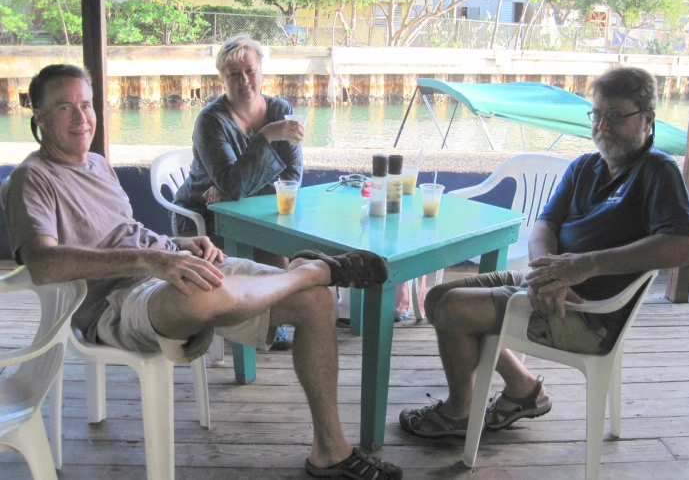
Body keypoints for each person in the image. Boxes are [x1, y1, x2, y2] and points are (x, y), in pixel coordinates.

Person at [1, 64, 402, 480]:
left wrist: (176, 245)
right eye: (65, 107)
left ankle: (330, 449)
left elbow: (123, 233)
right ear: (40, 119)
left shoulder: (98, 165)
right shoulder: (32, 179)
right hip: (114, 303)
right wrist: (150, 261)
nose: (82, 117)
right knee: (203, 290)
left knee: (316, 302)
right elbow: (43, 262)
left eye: (86, 104)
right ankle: (309, 271)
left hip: (167, 269)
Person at [399, 66, 689, 438]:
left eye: (617, 116)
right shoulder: (585, 166)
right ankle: (523, 390)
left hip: (589, 313)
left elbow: (686, 247)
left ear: (647, 119)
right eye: (598, 114)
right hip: (549, 284)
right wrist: (548, 272)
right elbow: (545, 224)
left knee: (453, 310)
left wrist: (581, 267)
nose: (603, 126)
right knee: (437, 297)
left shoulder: (657, 171)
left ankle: (459, 414)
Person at [172, 35, 304, 350]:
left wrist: (236, 190)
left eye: (249, 70)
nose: (243, 80)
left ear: (261, 71)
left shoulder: (281, 109)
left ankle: (268, 319)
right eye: (233, 74)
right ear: (222, 79)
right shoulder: (211, 121)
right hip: (204, 218)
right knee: (261, 255)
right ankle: (245, 323)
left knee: (279, 250)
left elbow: (292, 175)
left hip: (255, 210)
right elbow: (232, 185)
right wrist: (266, 137)